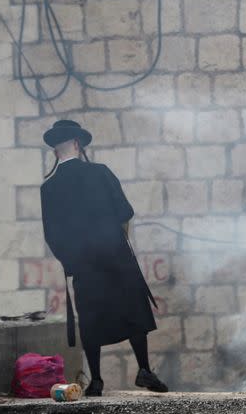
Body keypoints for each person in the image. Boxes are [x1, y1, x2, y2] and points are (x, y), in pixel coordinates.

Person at [40, 120, 167, 397]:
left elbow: (52, 235)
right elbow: (125, 211)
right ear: (77, 144)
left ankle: (96, 380)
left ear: (55, 150)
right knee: (133, 308)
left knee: (91, 316)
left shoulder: (48, 188)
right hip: (116, 255)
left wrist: (72, 262)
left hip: (83, 263)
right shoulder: (100, 172)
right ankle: (144, 369)